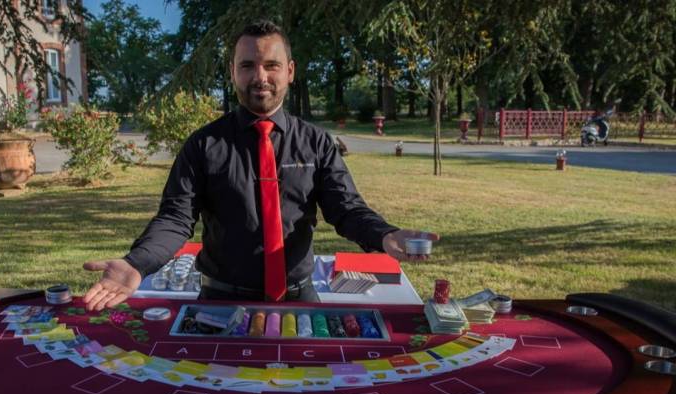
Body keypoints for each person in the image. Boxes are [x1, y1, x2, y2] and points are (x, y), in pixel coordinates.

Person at [83, 20, 438, 311]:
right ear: (233, 72)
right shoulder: (203, 145)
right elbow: (175, 219)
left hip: (300, 299)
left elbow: (346, 209)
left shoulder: (315, 143)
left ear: (290, 71)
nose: (260, 76)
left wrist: (384, 234)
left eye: (271, 65)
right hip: (220, 301)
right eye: (247, 65)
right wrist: (137, 263)